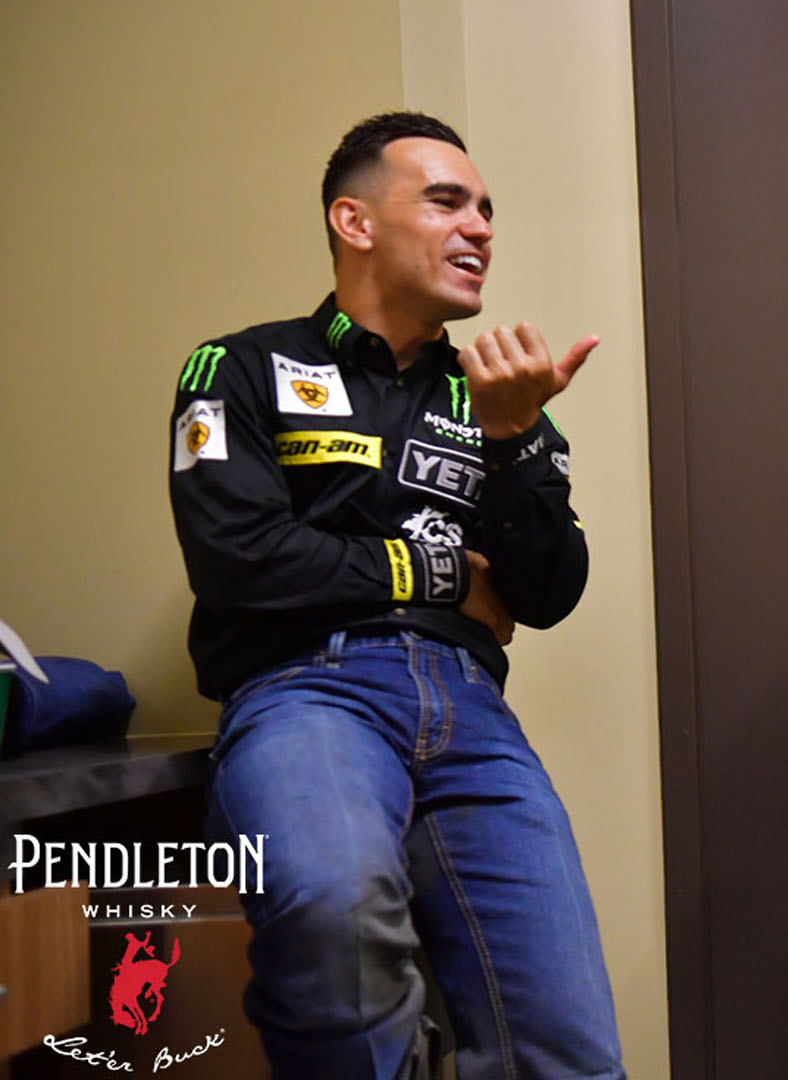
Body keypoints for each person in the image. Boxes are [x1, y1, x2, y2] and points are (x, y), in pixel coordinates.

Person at [168, 112, 623, 1079]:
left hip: (472, 708)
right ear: (356, 221)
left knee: (565, 1033)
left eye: (487, 210)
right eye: (448, 201)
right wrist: (447, 575)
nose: (481, 227)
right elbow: (242, 558)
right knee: (332, 914)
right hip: (305, 692)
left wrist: (514, 440)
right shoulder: (241, 367)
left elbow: (549, 592)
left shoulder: (495, 393)